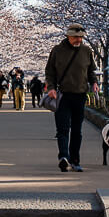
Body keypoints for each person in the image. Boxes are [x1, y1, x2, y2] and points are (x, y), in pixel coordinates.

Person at [44, 22, 97, 172]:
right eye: (75, 37)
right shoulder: (57, 50)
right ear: (68, 36)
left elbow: (91, 71)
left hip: (80, 95)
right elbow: (50, 71)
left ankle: (75, 160)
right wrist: (52, 88)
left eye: (80, 37)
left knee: (77, 130)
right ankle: (63, 157)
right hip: (62, 95)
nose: (78, 40)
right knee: (63, 128)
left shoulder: (87, 51)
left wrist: (94, 83)